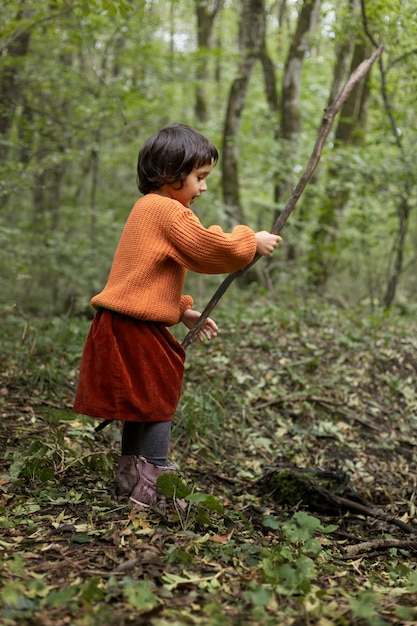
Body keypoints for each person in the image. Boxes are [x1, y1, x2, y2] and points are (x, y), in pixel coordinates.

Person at [73, 123, 281, 513]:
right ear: (171, 174)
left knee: (141, 401)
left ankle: (132, 479)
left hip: (124, 321)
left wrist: (180, 308)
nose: (203, 187)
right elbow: (207, 250)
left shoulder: (146, 208)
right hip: (135, 326)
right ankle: (155, 489)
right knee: (156, 399)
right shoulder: (167, 210)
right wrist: (250, 240)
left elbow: (143, 272)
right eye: (199, 177)